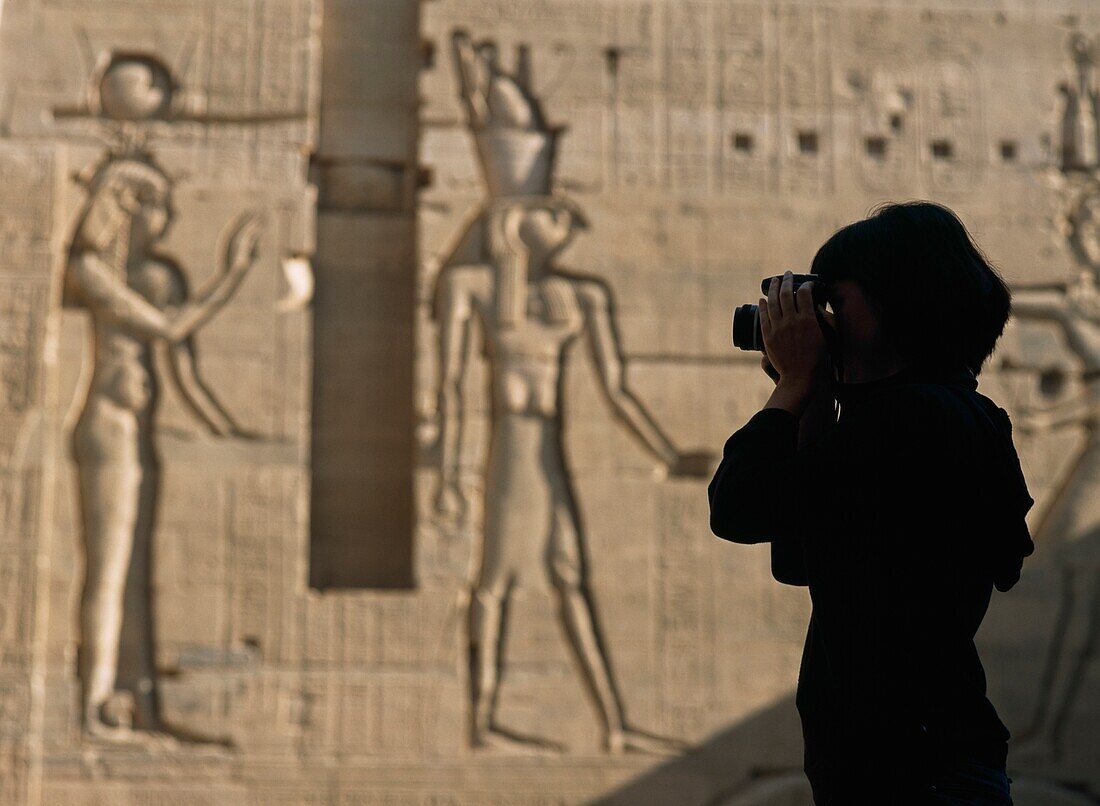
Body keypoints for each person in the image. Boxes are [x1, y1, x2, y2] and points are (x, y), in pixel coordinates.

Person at [708, 202, 1035, 804]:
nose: (818, 319)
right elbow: (805, 560)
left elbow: (738, 506)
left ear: (894, 302)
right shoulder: (952, 417)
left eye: (832, 300)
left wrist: (793, 384)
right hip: (921, 771)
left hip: (914, 780)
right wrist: (813, 401)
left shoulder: (915, 419)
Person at [434, 195, 709, 753]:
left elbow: (616, 392)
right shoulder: (474, 286)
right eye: (550, 210)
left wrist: (667, 456)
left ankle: (612, 726)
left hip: (546, 450)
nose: (566, 222)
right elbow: (449, 389)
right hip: (510, 448)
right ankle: (482, 722)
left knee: (569, 576)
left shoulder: (582, 295)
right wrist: (446, 474)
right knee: (495, 582)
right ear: (515, 221)